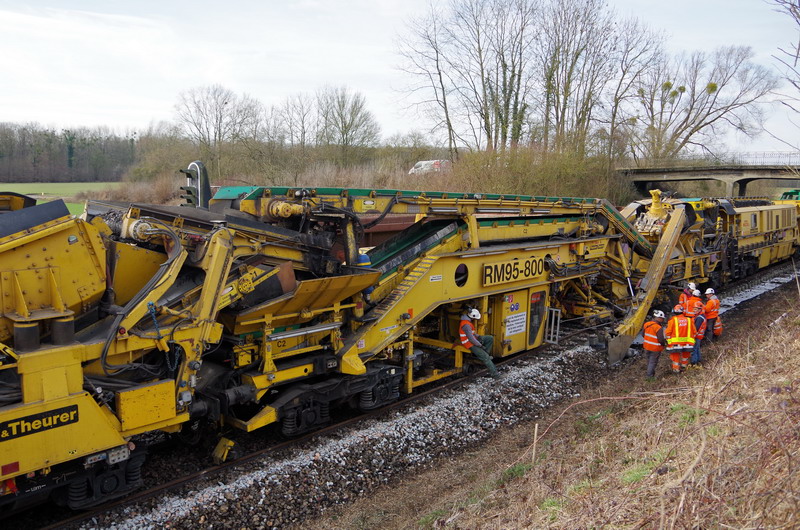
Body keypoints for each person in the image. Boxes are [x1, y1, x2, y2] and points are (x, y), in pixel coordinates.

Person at [459, 308, 499, 378]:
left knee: (490, 338)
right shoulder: (466, 325)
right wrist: (480, 345)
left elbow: (472, 334)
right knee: (486, 358)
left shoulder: (467, 322)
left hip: (473, 340)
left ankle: (485, 353)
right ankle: (495, 375)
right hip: (469, 344)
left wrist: (478, 336)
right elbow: (471, 339)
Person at [665, 304, 695, 373]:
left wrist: (668, 342)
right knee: (685, 356)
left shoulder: (672, 321)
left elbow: (668, 332)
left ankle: (676, 370)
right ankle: (684, 367)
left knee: (675, 357)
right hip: (688, 343)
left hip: (676, 343)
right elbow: (694, 331)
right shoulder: (689, 320)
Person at [642, 310, 668, 378]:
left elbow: (643, 334)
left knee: (649, 361)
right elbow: (661, 339)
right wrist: (664, 344)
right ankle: (649, 377)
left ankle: (650, 374)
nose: (663, 320)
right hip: (655, 348)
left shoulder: (646, 324)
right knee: (652, 362)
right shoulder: (658, 328)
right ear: (658, 318)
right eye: (662, 318)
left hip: (646, 346)